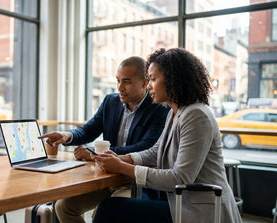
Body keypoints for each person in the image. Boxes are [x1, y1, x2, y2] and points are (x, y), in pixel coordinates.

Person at [92, 48, 242, 223]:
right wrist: (123, 158)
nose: (148, 86)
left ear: (173, 80)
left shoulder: (196, 115)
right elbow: (157, 151)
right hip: (179, 203)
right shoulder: (174, 112)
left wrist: (122, 167)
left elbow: (180, 178)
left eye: (153, 79)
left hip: (199, 210)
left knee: (109, 208)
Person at [39, 56, 170, 223]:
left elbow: (146, 147)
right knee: (63, 207)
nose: (120, 87)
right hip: (105, 178)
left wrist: (95, 154)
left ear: (145, 83)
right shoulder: (111, 101)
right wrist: (67, 136)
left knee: (104, 212)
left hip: (133, 181)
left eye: (127, 82)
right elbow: (89, 130)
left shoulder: (159, 108)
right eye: (118, 81)